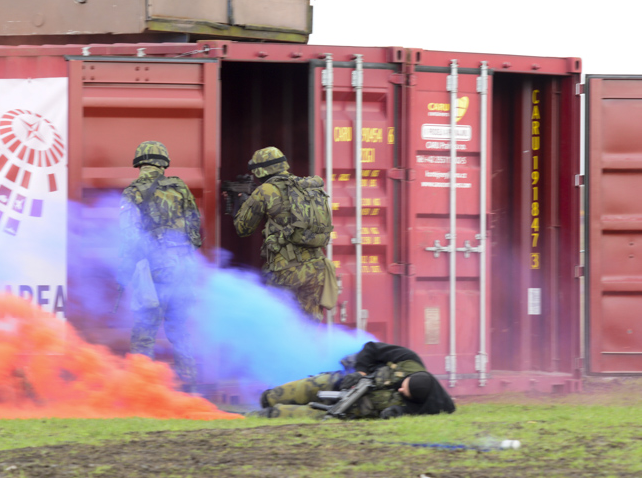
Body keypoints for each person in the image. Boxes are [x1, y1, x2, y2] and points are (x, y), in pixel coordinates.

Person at [117, 140, 202, 390]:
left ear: (139, 163)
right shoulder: (180, 188)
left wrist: (127, 271)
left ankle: (142, 389)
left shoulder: (133, 192)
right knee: (179, 328)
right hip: (186, 266)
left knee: (144, 331)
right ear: (163, 163)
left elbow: (129, 237)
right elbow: (195, 229)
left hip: (157, 267)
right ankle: (190, 386)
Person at [232, 146, 338, 321]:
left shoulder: (265, 190)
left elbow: (243, 228)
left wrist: (241, 203)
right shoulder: (306, 187)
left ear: (260, 170)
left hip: (286, 271)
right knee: (309, 325)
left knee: (278, 324)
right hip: (316, 269)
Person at [249, 341, 456, 419]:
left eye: (405, 394)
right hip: (340, 383)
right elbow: (371, 349)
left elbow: (403, 412)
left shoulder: (420, 406)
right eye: (403, 386)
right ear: (408, 376)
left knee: (284, 414)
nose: (400, 391)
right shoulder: (408, 358)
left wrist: (394, 412)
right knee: (277, 396)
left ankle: (257, 416)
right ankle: (266, 400)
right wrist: (361, 373)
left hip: (346, 409)